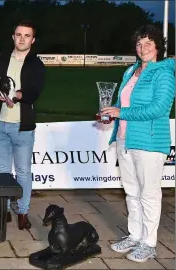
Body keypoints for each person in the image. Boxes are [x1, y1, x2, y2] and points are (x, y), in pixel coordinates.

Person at [100, 24, 175, 263]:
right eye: (139, 43)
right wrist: (112, 113)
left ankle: (149, 243)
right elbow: (123, 104)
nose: (142, 48)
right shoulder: (130, 71)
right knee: (131, 193)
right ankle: (134, 235)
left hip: (150, 143)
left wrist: (123, 112)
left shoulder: (164, 72)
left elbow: (159, 108)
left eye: (148, 44)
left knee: (149, 194)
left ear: (158, 47)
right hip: (124, 139)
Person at [0, 20, 46, 230]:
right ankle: (4, 209)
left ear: (33, 40)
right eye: (19, 35)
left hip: (23, 127)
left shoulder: (36, 64)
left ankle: (23, 212)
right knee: (2, 171)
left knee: (23, 173)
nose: (22, 39)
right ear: (13, 37)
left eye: (27, 36)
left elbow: (36, 90)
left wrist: (19, 95)